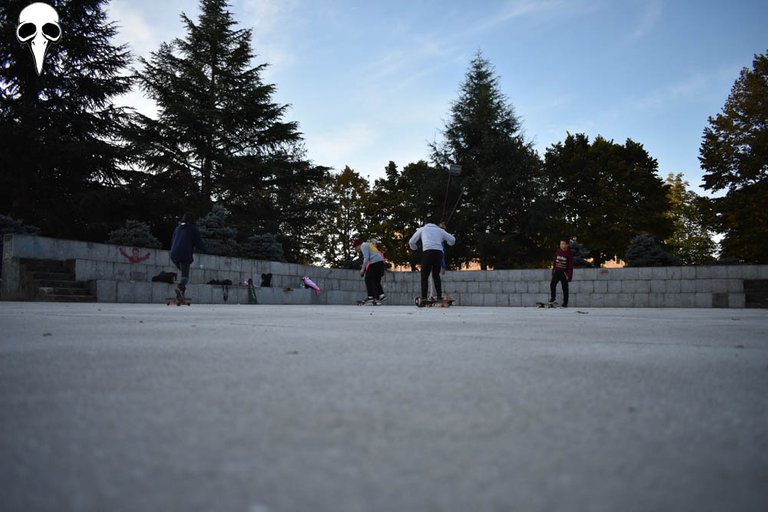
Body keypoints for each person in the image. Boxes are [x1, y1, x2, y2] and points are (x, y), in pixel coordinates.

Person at [408, 220, 456, 301]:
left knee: (424, 276)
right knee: (436, 275)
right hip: (439, 253)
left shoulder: (422, 229)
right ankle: (439, 296)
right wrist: (449, 243)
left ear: (426, 223)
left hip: (428, 252)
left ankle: (424, 297)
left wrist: (414, 248)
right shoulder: (440, 230)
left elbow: (411, 241)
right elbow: (452, 240)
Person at [170, 212, 207, 300]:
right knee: (185, 276)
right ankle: (179, 288)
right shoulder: (192, 229)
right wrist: (206, 251)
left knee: (183, 272)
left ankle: (180, 294)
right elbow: (199, 243)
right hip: (184, 254)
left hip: (173, 254)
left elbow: (172, 241)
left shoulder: (177, 228)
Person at [354, 238, 386, 304]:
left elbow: (366, 258)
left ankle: (370, 297)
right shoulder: (368, 244)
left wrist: (363, 269)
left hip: (374, 262)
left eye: (355, 248)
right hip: (380, 262)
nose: (356, 250)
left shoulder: (363, 246)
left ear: (357, 245)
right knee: (376, 280)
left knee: (368, 279)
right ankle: (381, 295)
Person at [550, 239, 574, 307]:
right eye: (560, 244)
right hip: (557, 271)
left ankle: (565, 303)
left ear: (567, 245)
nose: (562, 245)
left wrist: (569, 276)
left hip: (564, 273)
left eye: (563, 244)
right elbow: (554, 262)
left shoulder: (569, 253)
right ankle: (553, 298)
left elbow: (570, 266)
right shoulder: (558, 251)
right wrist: (553, 270)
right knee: (552, 284)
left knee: (565, 288)